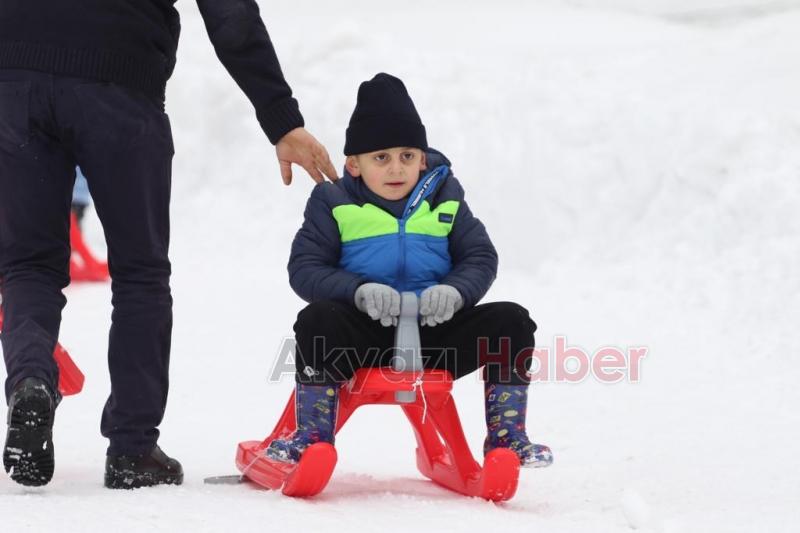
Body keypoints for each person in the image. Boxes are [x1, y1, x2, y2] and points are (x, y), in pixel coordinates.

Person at [0, 0, 337, 489]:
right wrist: (281, 119)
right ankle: (132, 449)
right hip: (118, 82)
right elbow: (231, 16)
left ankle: (30, 381)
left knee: (28, 264)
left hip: (15, 78)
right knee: (140, 273)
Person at [266, 73, 553, 468]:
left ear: (421, 158)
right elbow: (305, 268)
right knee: (317, 321)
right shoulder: (334, 202)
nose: (396, 168)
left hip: (436, 334)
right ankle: (311, 438)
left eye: (406, 155)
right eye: (380, 158)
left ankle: (508, 439)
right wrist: (358, 290)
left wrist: (455, 291)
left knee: (512, 321)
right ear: (354, 164)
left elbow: (480, 256)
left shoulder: (444, 197)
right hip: (363, 337)